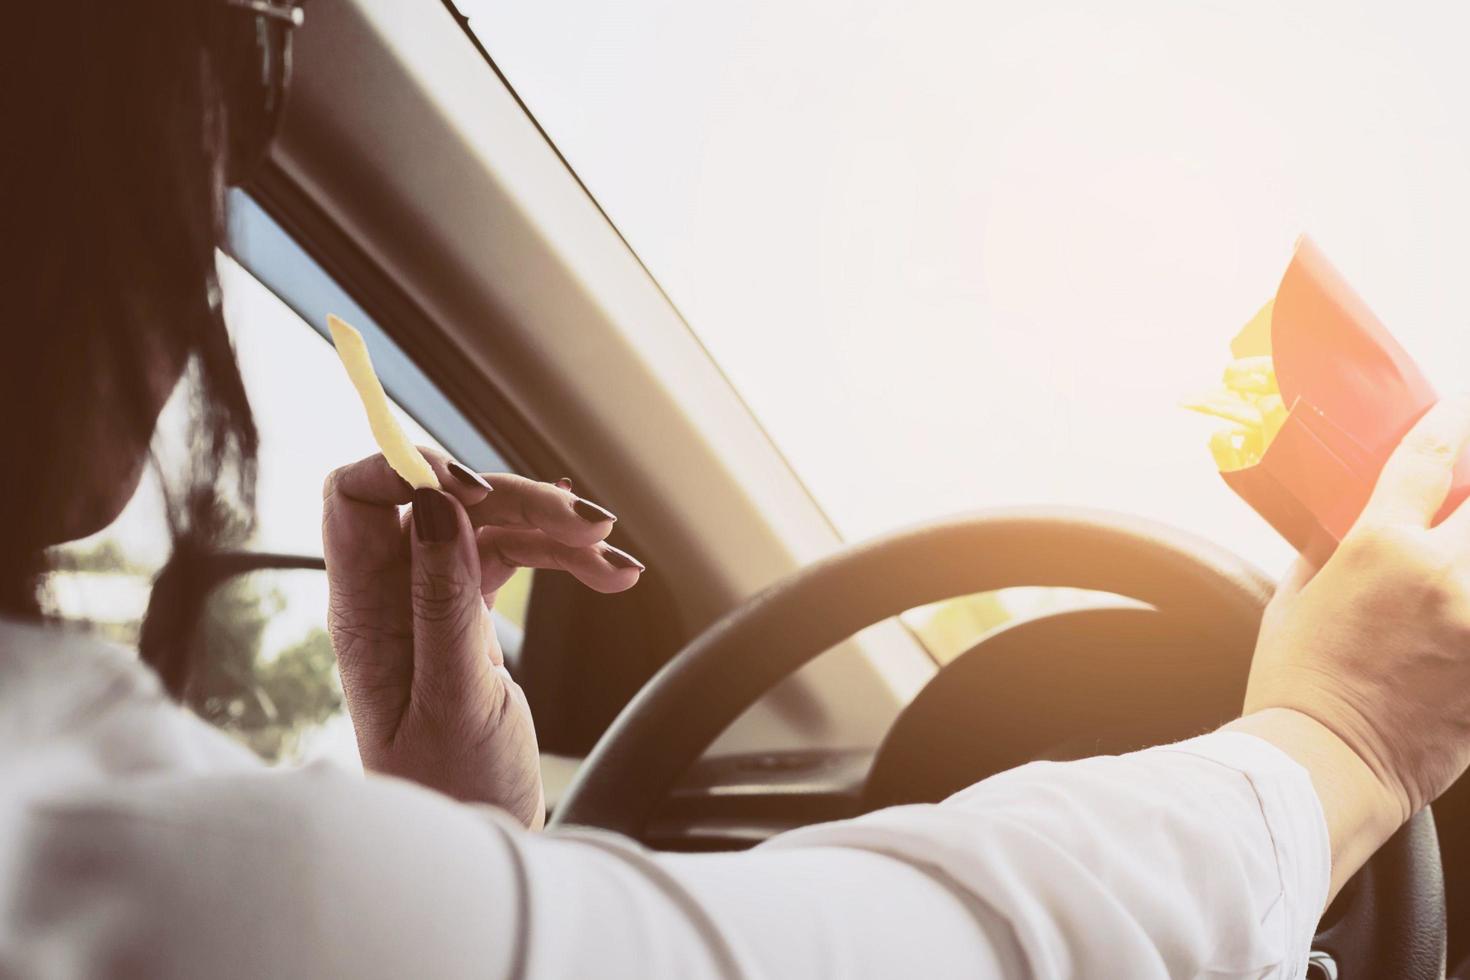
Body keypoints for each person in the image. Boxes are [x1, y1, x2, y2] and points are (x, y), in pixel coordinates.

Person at [3, 1, 1470, 977]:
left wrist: (457, 822)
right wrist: (1337, 741)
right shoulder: (101, 855)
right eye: (253, 50)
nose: (212, 184)